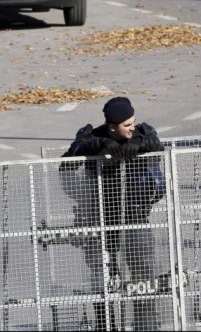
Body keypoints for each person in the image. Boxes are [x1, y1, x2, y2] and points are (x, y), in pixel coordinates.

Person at [61, 97, 165, 331]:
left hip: (135, 217)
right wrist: (98, 146)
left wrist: (138, 143)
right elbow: (66, 165)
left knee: (142, 276)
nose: (132, 127)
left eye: (133, 122)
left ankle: (146, 326)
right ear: (112, 127)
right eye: (127, 125)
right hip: (99, 219)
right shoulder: (92, 136)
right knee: (103, 278)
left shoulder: (142, 133)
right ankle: (106, 325)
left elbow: (157, 145)